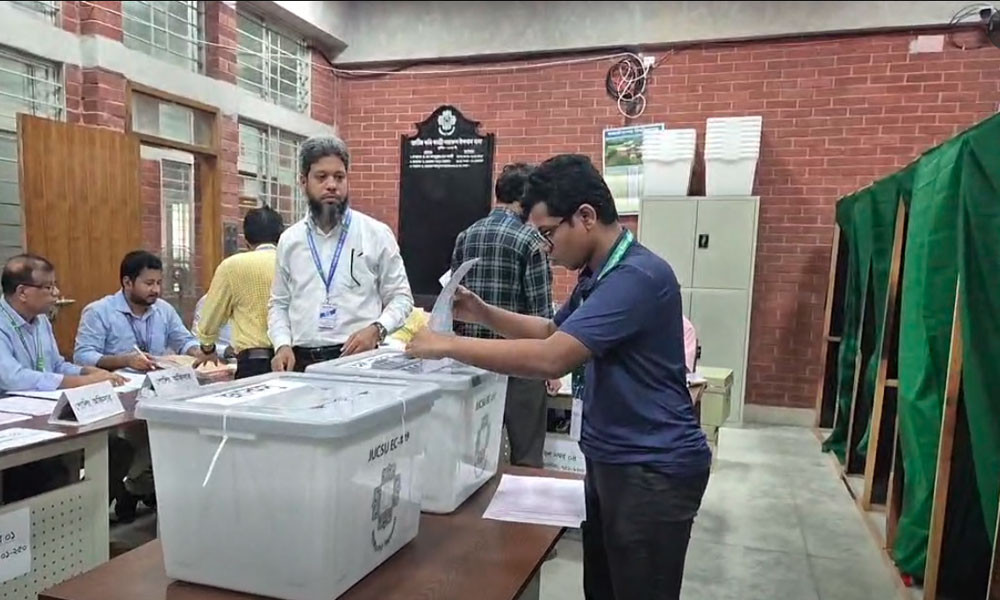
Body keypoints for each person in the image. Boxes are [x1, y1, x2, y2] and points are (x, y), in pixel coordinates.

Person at [406, 154, 712, 600]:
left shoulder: (638, 277)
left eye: (549, 233)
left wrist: (446, 345)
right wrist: (481, 312)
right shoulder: (598, 275)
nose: (547, 248)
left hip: (652, 468)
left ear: (585, 217)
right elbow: (552, 330)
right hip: (614, 459)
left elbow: (553, 358)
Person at [73, 250, 217, 522]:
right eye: (148, 283)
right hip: (118, 391)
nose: (156, 290)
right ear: (127, 282)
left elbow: (183, 339)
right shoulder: (99, 311)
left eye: (159, 283)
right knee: (130, 443)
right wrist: (125, 360)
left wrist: (198, 351)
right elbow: (83, 356)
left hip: (157, 389)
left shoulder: (163, 309)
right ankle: (127, 488)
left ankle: (137, 486)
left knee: (176, 434)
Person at [268, 135, 413, 372]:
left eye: (339, 177)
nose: (332, 185)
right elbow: (279, 303)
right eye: (321, 177)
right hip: (301, 363)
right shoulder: (290, 240)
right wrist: (281, 344)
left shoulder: (375, 234)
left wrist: (377, 330)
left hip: (358, 360)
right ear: (303, 182)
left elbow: (401, 298)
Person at [450, 162, 554, 467]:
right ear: (525, 198)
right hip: (521, 363)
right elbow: (541, 312)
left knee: (475, 455)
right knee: (526, 455)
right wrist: (552, 370)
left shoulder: (466, 236)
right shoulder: (531, 241)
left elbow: (453, 298)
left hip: (473, 361)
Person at [0, 254, 125, 503]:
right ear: (22, 292)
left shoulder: (41, 321)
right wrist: (79, 383)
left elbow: (56, 365)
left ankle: (89, 519)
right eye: (48, 287)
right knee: (49, 471)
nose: (56, 293)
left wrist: (88, 372)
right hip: (13, 424)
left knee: (117, 448)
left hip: (45, 414)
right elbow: (12, 378)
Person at [196, 206, 284, 379]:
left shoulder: (231, 266)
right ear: (281, 236)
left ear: (246, 239)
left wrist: (208, 348)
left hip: (253, 364)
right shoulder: (293, 262)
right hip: (292, 359)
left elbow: (210, 318)